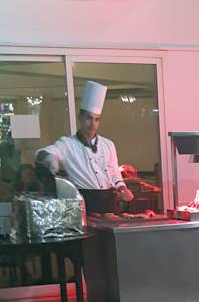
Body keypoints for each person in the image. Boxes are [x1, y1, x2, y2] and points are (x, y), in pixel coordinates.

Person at [36, 82, 133, 215]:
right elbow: (41, 153)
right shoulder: (67, 144)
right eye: (89, 118)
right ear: (80, 118)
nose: (92, 124)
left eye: (96, 119)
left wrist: (123, 189)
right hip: (85, 202)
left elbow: (115, 173)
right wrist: (48, 157)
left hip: (110, 202)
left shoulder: (108, 144)